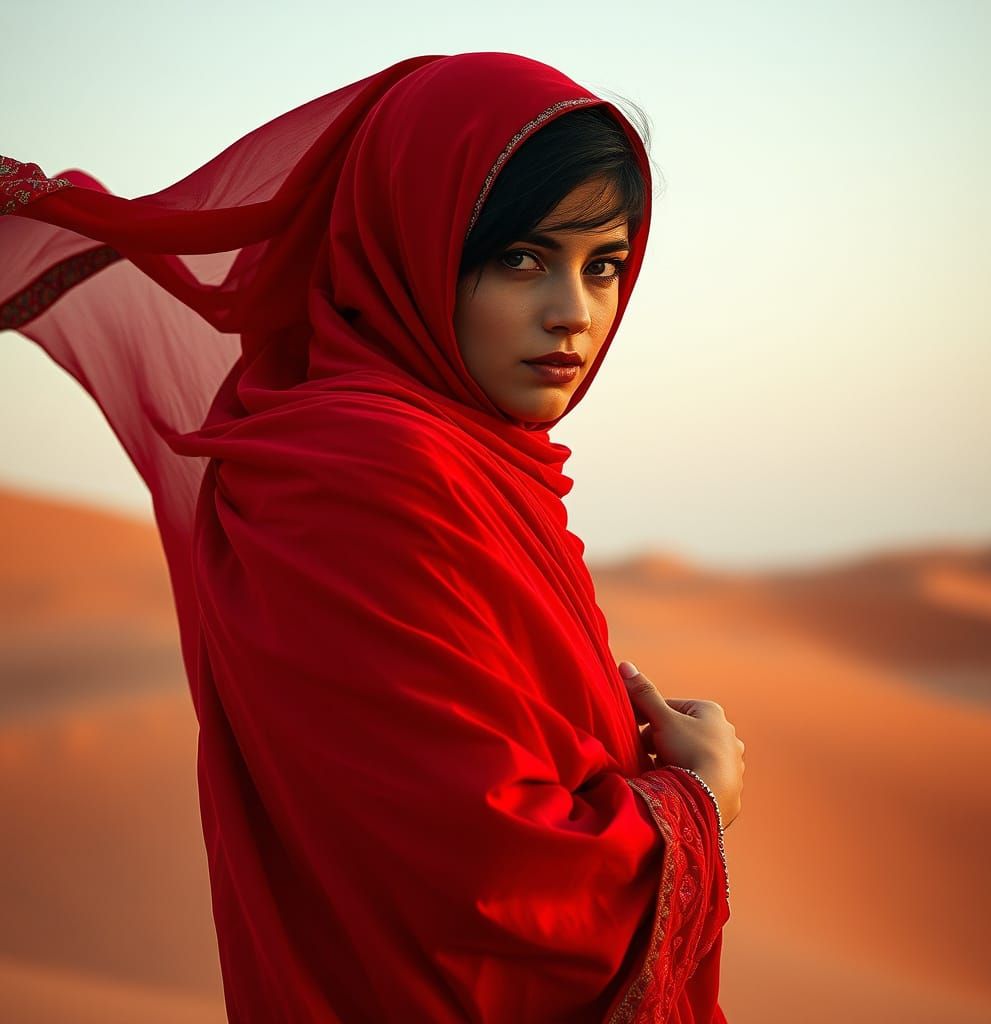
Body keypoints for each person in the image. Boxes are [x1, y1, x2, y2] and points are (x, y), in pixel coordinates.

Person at [0, 52, 745, 1023]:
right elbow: (490, 876)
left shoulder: (479, 463)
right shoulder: (365, 472)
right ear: (411, 242)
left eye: (602, 265)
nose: (575, 313)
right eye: (521, 259)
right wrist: (696, 798)